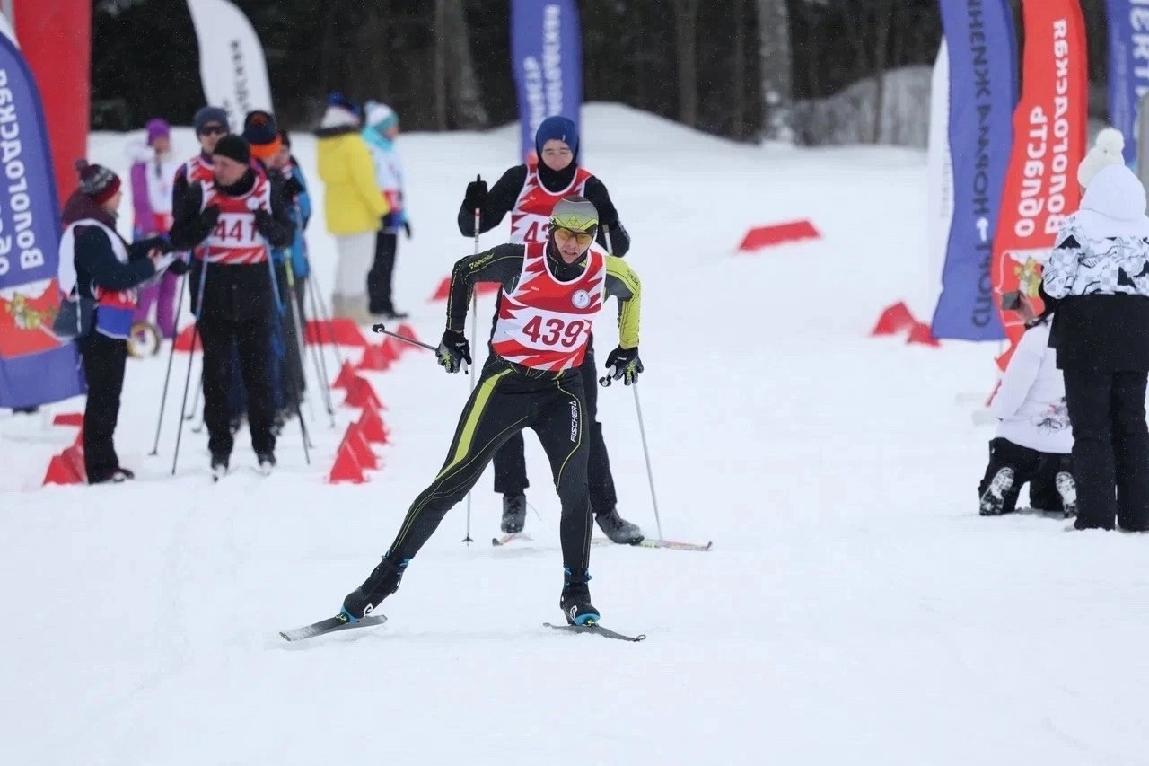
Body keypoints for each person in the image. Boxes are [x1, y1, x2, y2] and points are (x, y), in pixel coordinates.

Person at [339, 196, 645, 626]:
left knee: (576, 491)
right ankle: (377, 586)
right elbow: (464, 270)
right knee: (450, 485)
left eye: (582, 236)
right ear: (550, 230)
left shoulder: (605, 272)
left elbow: (633, 289)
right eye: (564, 233)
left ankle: (577, 592)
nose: (572, 244)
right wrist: (453, 335)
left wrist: (628, 348)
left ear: (593, 237)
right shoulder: (519, 261)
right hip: (506, 383)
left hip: (563, 389)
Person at [457, 115, 642, 544]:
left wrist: (613, 228)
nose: (557, 157)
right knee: (504, 412)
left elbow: (618, 245)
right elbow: (474, 228)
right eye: (549, 150)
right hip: (519, 309)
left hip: (572, 314)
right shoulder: (519, 178)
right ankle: (513, 497)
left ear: (574, 151)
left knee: (585, 417)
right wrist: (473, 205)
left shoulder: (587, 187)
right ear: (538, 150)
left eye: (564, 150)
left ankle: (606, 511)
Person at [1042, 127, 1149, 531]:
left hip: (1087, 334)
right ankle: (1140, 516)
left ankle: (1097, 517)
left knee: (1092, 430)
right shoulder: (1145, 228)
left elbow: (1055, 285)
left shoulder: (1078, 225)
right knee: (1133, 426)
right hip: (1138, 335)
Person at [169, 134, 293, 476]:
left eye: (225, 164)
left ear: (242, 165)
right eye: (215, 163)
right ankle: (219, 448)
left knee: (259, 377)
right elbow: (177, 237)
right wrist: (202, 224)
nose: (217, 169)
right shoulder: (202, 192)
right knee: (217, 376)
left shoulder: (266, 191)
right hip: (215, 296)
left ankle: (264, 447)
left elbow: (287, 235)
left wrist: (268, 226)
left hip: (255, 295)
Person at [59, 161, 177, 483]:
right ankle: (100, 467)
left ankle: (106, 461)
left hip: (106, 324)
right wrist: (152, 265)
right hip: (97, 325)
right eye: (115, 191)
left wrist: (160, 246)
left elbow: (124, 254)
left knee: (108, 394)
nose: (121, 196)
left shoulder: (97, 228)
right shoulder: (89, 232)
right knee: (104, 395)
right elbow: (113, 275)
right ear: (102, 196)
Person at [978, 292, 1075, 517]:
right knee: (1046, 500)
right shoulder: (1090, 336)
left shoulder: (1037, 337)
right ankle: (1068, 482)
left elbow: (1013, 391)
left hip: (1020, 441)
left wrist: (1000, 412)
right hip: (1064, 443)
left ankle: (1005, 475)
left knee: (1008, 461)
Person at [316, 92, 389, 323]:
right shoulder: (353, 144)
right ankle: (355, 314)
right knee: (358, 264)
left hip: (337, 213)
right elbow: (366, 182)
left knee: (345, 262)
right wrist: (382, 209)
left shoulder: (325, 143)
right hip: (358, 215)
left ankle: (340, 310)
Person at [129, 118, 182, 340]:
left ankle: (166, 329)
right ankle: (138, 328)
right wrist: (149, 228)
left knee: (170, 282)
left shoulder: (176, 166)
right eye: (158, 140)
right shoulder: (141, 166)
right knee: (148, 283)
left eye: (165, 139)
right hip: (148, 231)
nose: (163, 144)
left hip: (171, 231)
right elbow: (140, 199)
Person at [363, 100, 409, 320]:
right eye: (392, 125)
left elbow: (397, 184)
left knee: (389, 260)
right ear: (381, 127)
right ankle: (375, 303)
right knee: (377, 260)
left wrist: (404, 216)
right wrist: (380, 211)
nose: (396, 129)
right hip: (377, 215)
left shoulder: (389, 149)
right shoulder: (368, 148)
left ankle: (386, 302)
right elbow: (370, 184)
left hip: (393, 212)